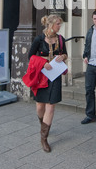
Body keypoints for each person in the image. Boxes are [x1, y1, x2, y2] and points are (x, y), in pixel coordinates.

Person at [28, 14, 67, 152]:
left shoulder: (61, 39)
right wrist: (43, 63)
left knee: (50, 107)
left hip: (55, 76)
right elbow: (30, 56)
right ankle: (43, 123)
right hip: (42, 76)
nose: (59, 26)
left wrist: (62, 56)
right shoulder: (39, 39)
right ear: (50, 25)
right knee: (40, 106)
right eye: (57, 24)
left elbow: (65, 54)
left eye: (59, 24)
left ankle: (44, 138)